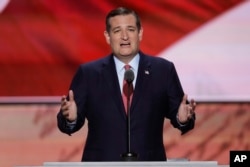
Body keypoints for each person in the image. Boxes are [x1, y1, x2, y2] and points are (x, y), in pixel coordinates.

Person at [57, 7, 196, 161]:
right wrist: (71, 119)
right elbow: (67, 124)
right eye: (117, 31)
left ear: (140, 33)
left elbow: (181, 116)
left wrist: (183, 119)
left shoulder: (163, 70)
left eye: (130, 29)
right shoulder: (88, 73)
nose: (124, 37)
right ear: (108, 36)